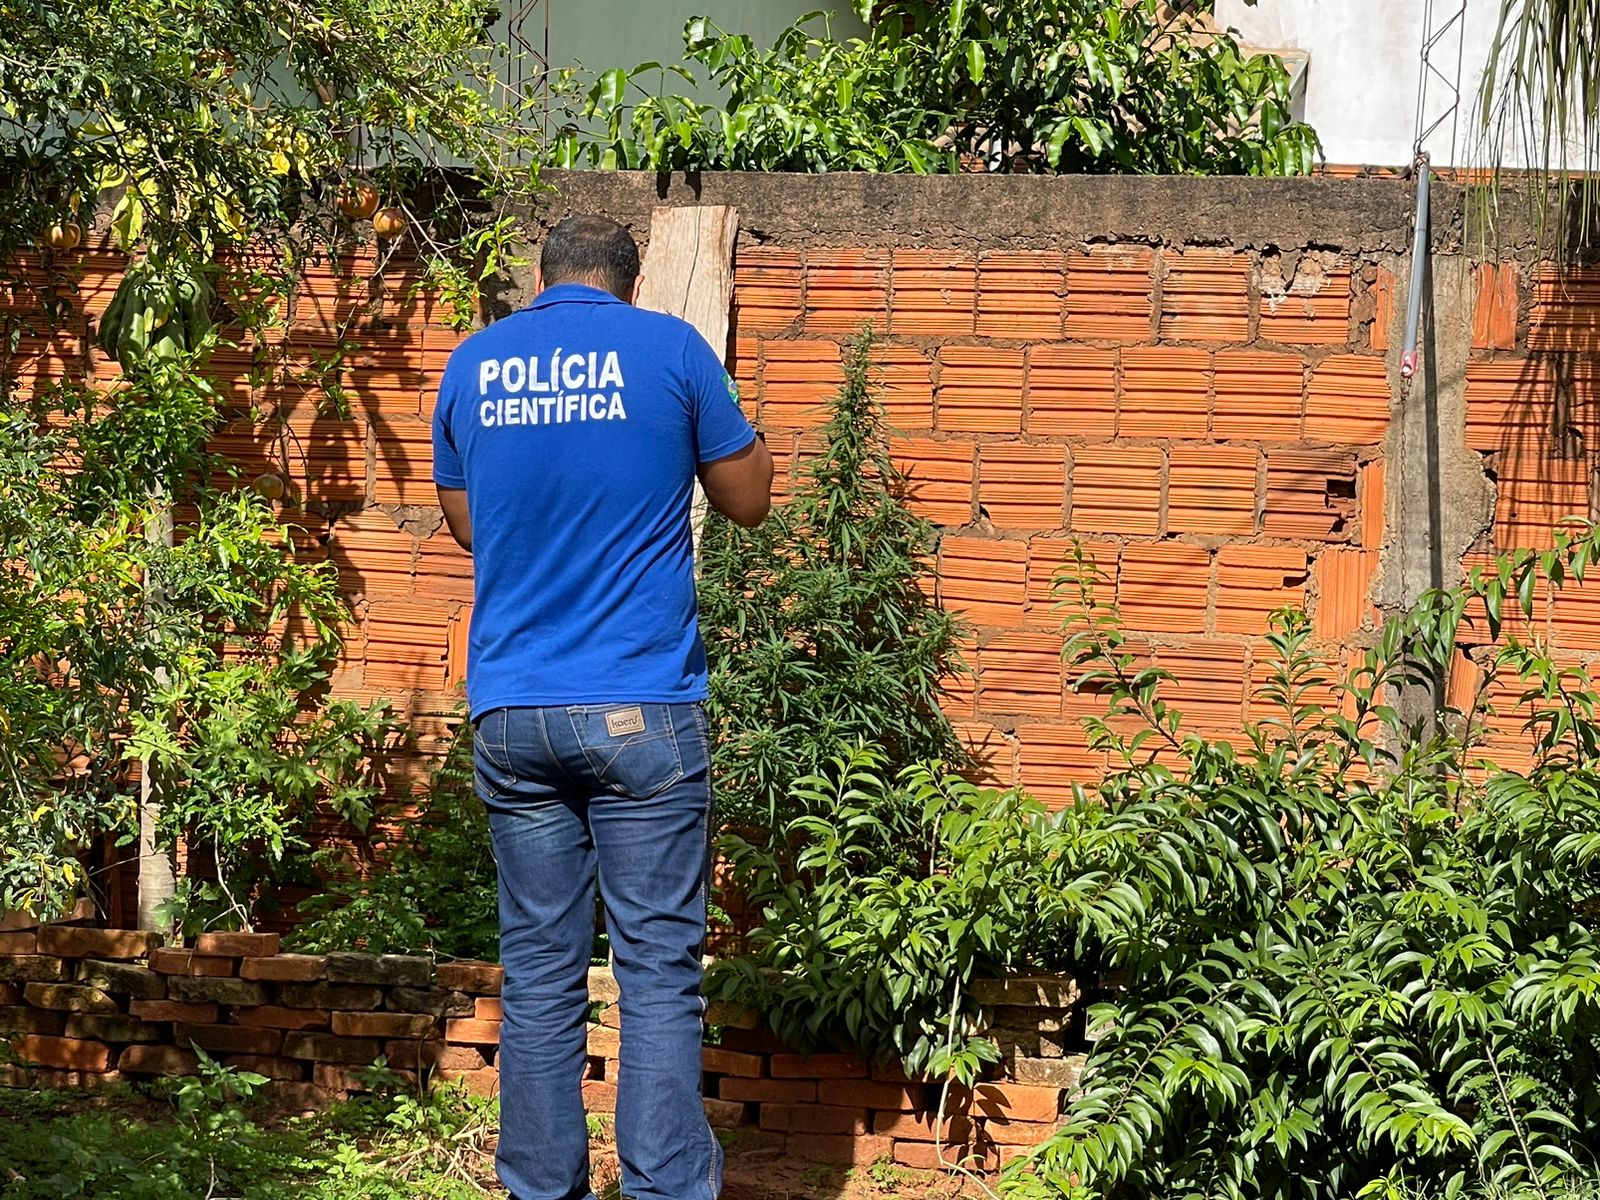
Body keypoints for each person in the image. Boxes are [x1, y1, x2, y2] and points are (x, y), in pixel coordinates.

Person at [430, 213, 773, 1200]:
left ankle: (540, 1189)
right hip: (640, 709)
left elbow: (466, 525)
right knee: (657, 968)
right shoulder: (671, 348)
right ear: (631, 284)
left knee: (538, 969)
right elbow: (746, 499)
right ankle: (665, 1189)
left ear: (542, 277)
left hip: (514, 711)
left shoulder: (475, 363)